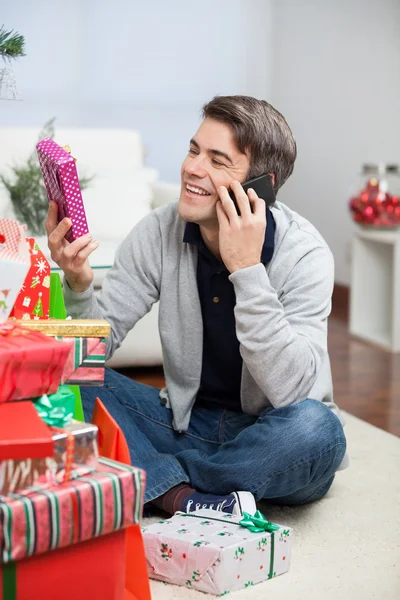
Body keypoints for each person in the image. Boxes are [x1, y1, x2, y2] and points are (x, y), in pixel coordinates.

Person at [46, 95, 347, 517]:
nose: (192, 168)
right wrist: (78, 286)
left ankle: (158, 483)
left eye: (218, 160)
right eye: (193, 150)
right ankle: (194, 498)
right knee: (62, 374)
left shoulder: (306, 255)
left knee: (319, 430)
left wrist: (246, 269)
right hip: (182, 424)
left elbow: (292, 391)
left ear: (260, 187)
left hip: (271, 434)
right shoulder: (158, 231)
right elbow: (92, 352)